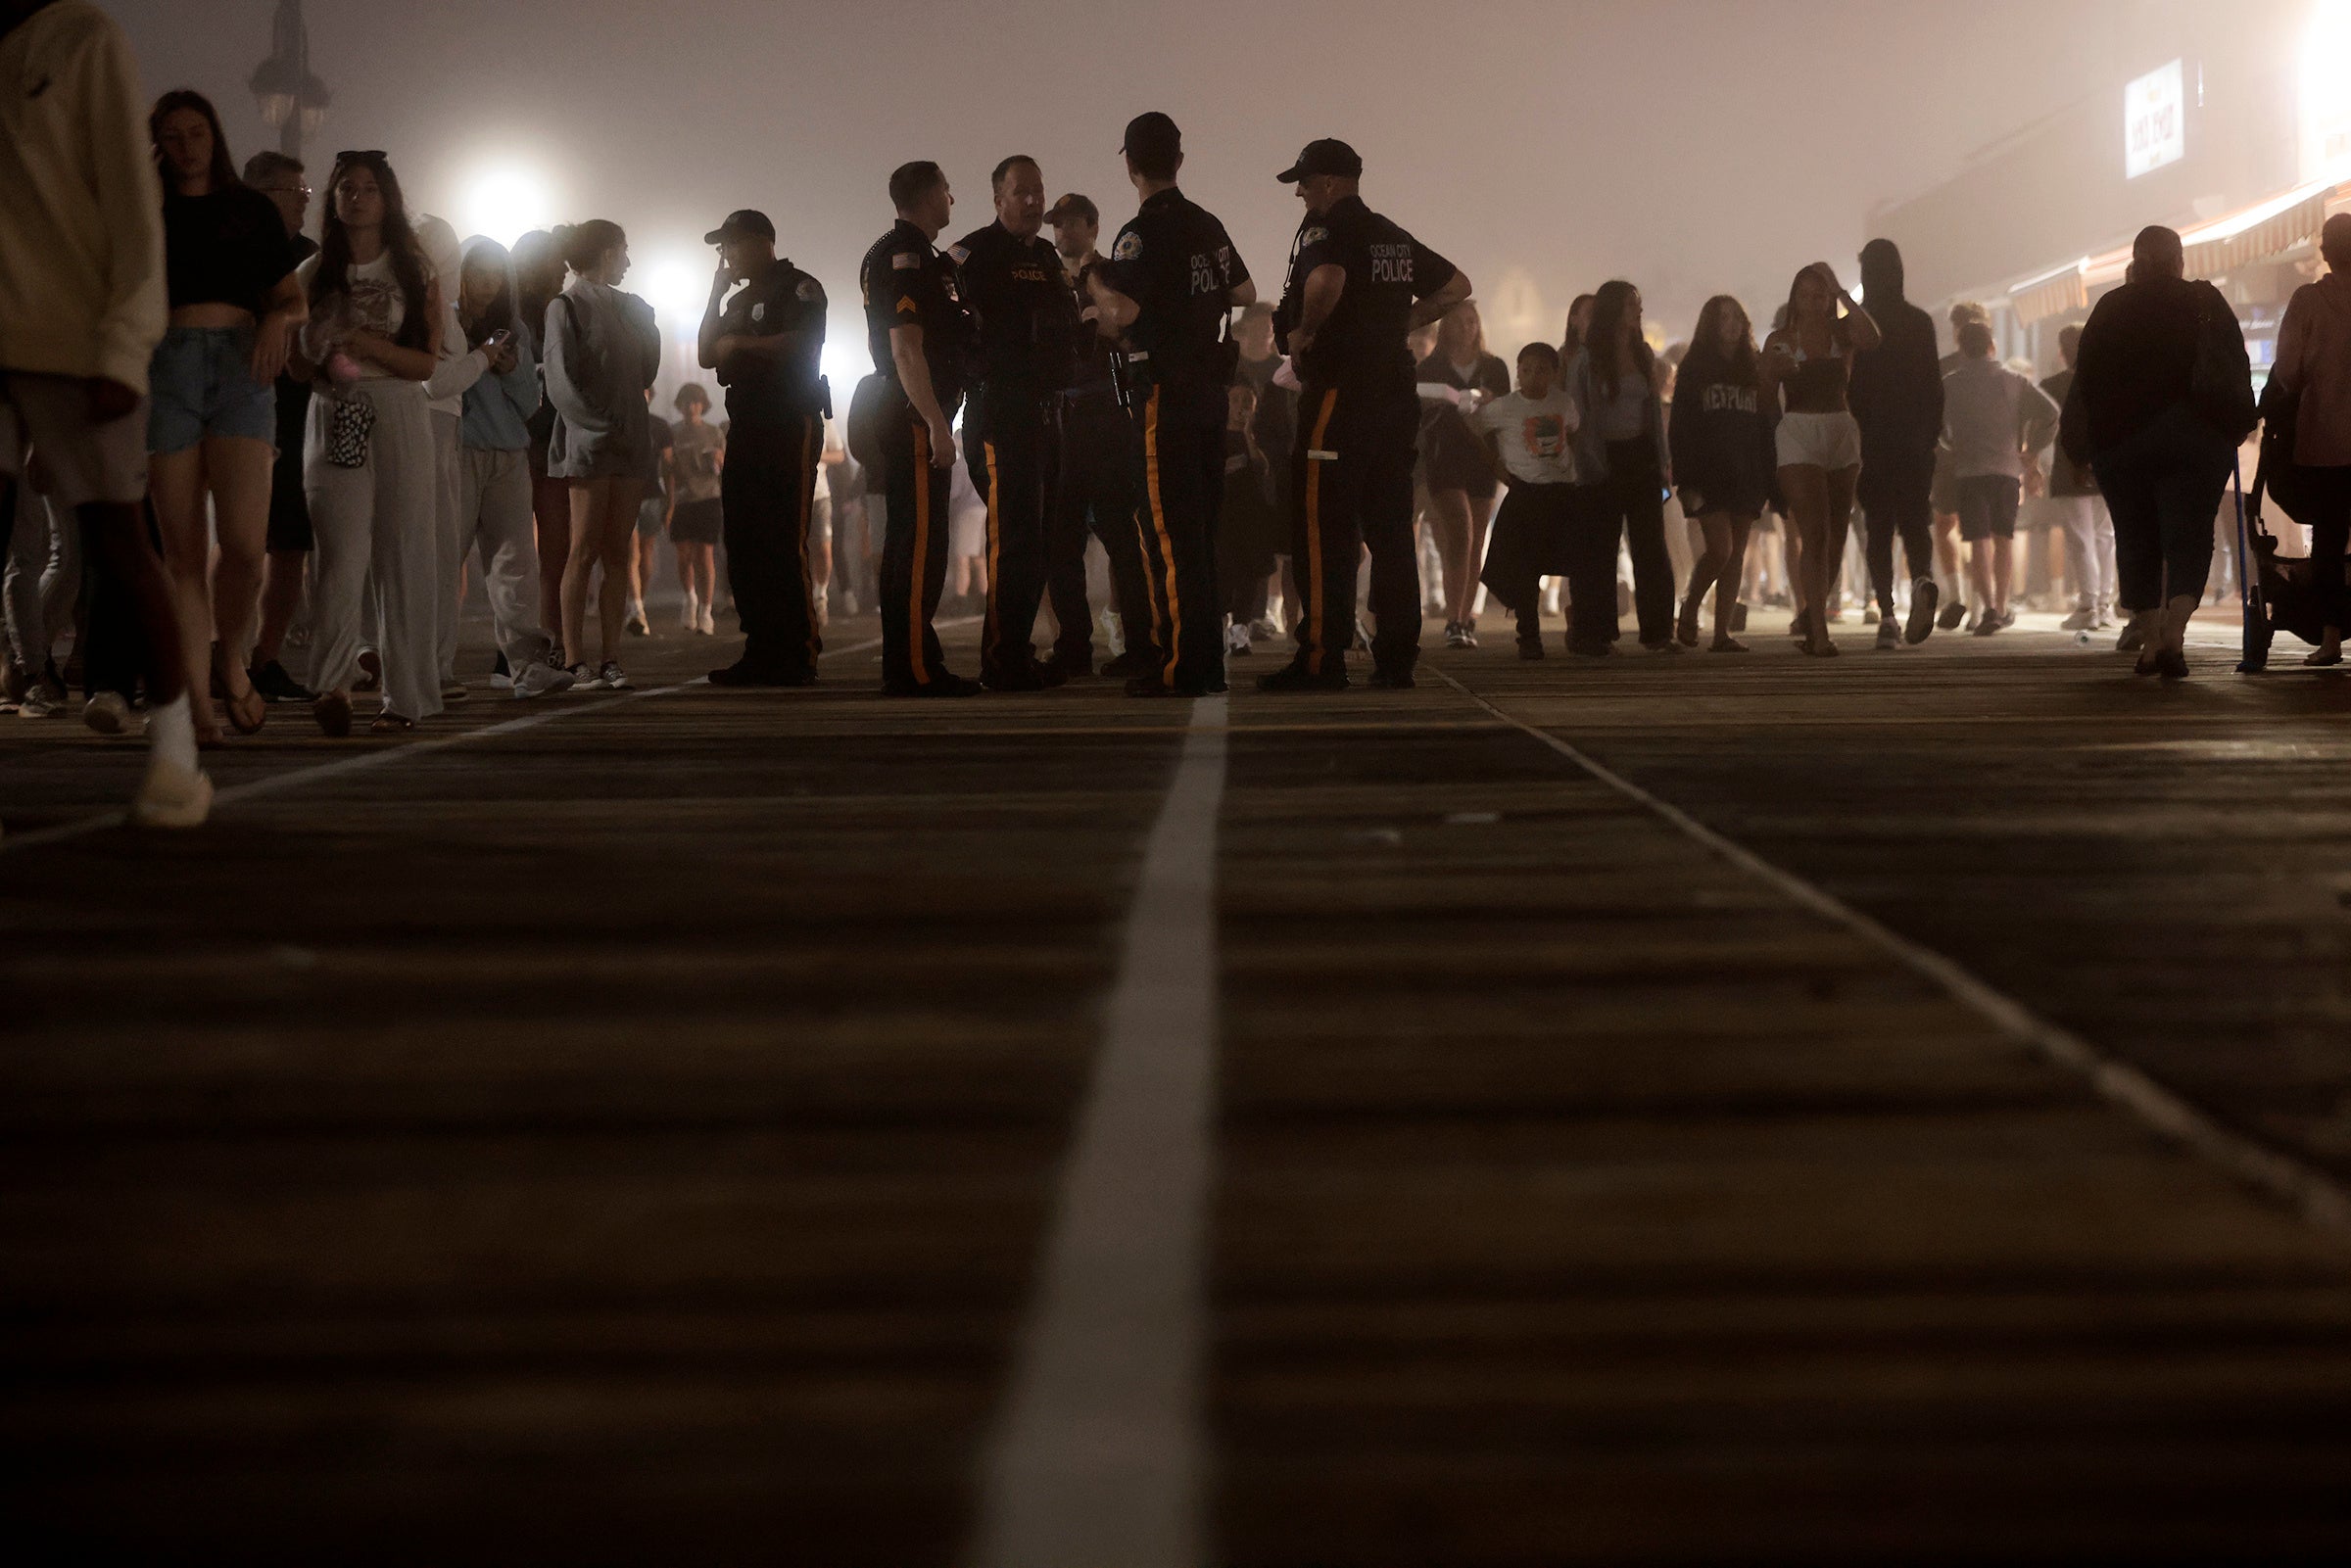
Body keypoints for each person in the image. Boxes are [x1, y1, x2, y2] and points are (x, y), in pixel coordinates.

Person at [0, 0, 214, 825]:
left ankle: (174, 756)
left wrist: (125, 347)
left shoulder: (82, 39)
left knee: (119, 541)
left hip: (73, 339)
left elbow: (132, 202)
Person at [1260, 137, 1464, 691]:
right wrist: (1397, 325)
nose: (1299, 193)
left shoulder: (1326, 231)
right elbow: (1455, 287)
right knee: (1391, 527)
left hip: (1338, 393)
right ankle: (1397, 656)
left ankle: (1323, 656)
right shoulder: (1390, 235)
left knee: (1323, 524)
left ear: (1328, 182)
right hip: (1394, 394)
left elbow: (1326, 281)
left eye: (1303, 182)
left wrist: (1306, 332)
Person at [145, 89, 306, 741]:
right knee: (183, 554)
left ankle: (231, 657)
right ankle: (195, 706)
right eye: (173, 137)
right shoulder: (145, 211)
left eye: (197, 133)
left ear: (215, 137)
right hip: (167, 369)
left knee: (243, 545)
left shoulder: (249, 210)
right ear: (159, 144)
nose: (187, 147)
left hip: (243, 369)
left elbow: (293, 298)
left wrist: (275, 318)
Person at [1087, 112, 1256, 697]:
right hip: (1209, 393)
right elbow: (1244, 292)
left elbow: (1125, 314)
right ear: (1179, 161)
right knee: (1201, 530)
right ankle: (1202, 657)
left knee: (1168, 531)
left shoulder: (1138, 234)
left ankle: (1186, 664)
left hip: (1164, 396)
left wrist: (1095, 283)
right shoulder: (1207, 224)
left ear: (1131, 165)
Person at [292, 150, 445, 736]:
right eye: (346, 188)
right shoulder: (312, 274)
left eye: (369, 189)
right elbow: (300, 371)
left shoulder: (414, 270)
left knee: (402, 554)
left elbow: (425, 362)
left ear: (388, 199)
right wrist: (311, 348)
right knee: (339, 554)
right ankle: (331, 684)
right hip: (335, 411)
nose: (356, 198)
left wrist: (360, 339)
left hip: (399, 408)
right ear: (331, 200)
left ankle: (404, 697)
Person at [2059, 225, 2248, 679]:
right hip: (2197, 440)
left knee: (2137, 534)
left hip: (2124, 445)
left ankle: (2148, 639)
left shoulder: (2110, 308)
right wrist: (2238, 424)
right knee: (2191, 532)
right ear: (2179, 261)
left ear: (2136, 262)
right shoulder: (2205, 301)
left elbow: (2084, 382)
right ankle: (2175, 633)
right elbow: (2235, 365)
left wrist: (2077, 448)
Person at [950, 155, 1082, 690]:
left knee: (1039, 541)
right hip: (1001, 415)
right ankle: (1003, 661)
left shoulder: (1049, 257)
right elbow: (954, 334)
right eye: (1020, 191)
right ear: (998, 199)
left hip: (1050, 414)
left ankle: (1019, 652)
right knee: (1014, 540)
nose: (1033, 201)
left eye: (1038, 190)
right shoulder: (972, 255)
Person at [860, 161, 980, 696]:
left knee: (918, 542)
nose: (952, 200)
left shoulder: (927, 258)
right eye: (947, 191)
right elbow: (905, 346)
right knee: (918, 545)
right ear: (930, 195)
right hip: (913, 413)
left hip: (921, 410)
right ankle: (911, 667)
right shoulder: (901, 256)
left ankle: (914, 659)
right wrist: (935, 422)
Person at [698, 208, 828, 685]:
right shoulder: (735, 301)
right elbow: (705, 353)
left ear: (760, 242)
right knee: (745, 539)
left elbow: (802, 341)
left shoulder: (799, 287)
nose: (726, 255)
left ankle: (798, 650)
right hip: (747, 424)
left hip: (789, 420)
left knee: (783, 539)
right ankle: (760, 649)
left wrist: (742, 345)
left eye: (731, 245)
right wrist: (714, 296)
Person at [1040, 190, 1156, 679]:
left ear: (1092, 226)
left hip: (1106, 415)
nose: (1063, 232)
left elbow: (1129, 328)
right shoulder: (1044, 277)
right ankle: (1074, 645)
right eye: (1058, 224)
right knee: (1061, 542)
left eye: (1072, 223)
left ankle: (1141, 644)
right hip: (1061, 418)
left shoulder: (1110, 273)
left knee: (1120, 535)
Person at [450, 235, 570, 699]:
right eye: (479, 272)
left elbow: (527, 403)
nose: (488, 282)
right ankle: (433, 668)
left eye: (497, 274)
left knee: (516, 562)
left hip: (508, 454)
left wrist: (513, 367)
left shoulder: (514, 327)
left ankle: (527, 666)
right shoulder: (443, 320)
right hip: (456, 452)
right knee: (445, 560)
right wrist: (477, 360)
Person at [544, 217, 659, 692]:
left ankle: (611, 656)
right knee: (584, 548)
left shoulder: (631, 307)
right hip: (590, 445)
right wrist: (594, 428)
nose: (628, 261)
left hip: (631, 441)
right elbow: (559, 381)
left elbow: (646, 371)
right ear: (606, 252)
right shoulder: (565, 306)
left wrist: (648, 323)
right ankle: (575, 658)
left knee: (618, 551)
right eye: (623, 251)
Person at [1760, 262, 1881, 657]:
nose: (1813, 303)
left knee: (1836, 535)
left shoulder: (1841, 332)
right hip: (1798, 431)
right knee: (1813, 531)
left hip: (1840, 431)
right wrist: (1771, 373)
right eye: (1806, 295)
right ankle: (1820, 632)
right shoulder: (1781, 338)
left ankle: (1811, 616)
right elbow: (1763, 399)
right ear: (1794, 297)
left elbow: (1873, 339)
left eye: (1821, 295)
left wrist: (1845, 295)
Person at [241, 148, 318, 703]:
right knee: (237, 545)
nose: (305, 207)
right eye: (298, 196)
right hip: (236, 410)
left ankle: (265, 658)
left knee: (289, 545)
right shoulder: (227, 247)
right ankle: (221, 657)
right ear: (262, 195)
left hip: (296, 417)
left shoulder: (311, 259)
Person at [1565, 279, 1678, 653]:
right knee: (1600, 550)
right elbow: (1578, 413)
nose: (1639, 311)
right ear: (1614, 310)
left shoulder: (1642, 352)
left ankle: (1659, 633)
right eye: (1632, 304)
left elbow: (1651, 411)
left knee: (1650, 546)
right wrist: (1587, 464)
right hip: (1602, 458)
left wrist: (1662, 460)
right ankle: (1595, 633)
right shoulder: (1587, 358)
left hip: (1641, 456)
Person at [1847, 237, 1944, 646]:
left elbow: (1852, 387)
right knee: (1915, 522)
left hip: (1871, 440)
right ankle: (1922, 580)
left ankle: (1886, 614)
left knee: (1879, 527)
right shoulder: (1920, 322)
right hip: (1914, 439)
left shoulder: (1860, 324)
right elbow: (1933, 388)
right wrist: (1930, 437)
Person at [2268, 213, 2351, 666]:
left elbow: (2288, 371)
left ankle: (2331, 638)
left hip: (2325, 442)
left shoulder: (2307, 301)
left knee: (2330, 540)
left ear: (2324, 252)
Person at [1668, 296, 1774, 652]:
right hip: (1708, 473)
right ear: (1709, 325)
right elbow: (1681, 426)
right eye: (1722, 317)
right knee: (1720, 549)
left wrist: (1766, 473)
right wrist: (1685, 479)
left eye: (1736, 317)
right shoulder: (1695, 368)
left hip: (1746, 471)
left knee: (1737, 552)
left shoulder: (1751, 367)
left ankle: (1722, 633)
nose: (1731, 323)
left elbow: (1763, 424)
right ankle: (1690, 606)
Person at [1942, 318, 2058, 635]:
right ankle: (2003, 607)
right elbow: (2050, 414)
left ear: (1962, 349)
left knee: (1978, 541)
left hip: (1969, 471)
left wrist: (1951, 444)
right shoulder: (2015, 381)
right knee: (2003, 538)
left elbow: (1936, 425)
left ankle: (1989, 606)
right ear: (1992, 346)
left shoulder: (1950, 383)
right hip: (2007, 470)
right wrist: (2032, 451)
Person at [1473, 341, 1578, 657]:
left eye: (1542, 370)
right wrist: (1495, 465)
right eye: (1526, 370)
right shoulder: (1505, 407)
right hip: (1525, 493)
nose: (1533, 377)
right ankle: (1528, 636)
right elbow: (1474, 426)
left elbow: (1575, 432)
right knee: (1525, 570)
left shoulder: (1563, 403)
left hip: (1562, 492)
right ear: (1518, 372)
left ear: (1554, 374)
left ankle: (1580, 624)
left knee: (1577, 562)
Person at [1416, 300, 1511, 648]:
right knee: (1461, 532)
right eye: (1459, 321)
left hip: (1482, 458)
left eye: (1472, 321)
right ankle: (1454, 618)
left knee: (1476, 543)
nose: (1467, 328)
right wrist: (1436, 403)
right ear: (1446, 327)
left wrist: (1490, 401)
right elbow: (1417, 407)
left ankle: (1466, 617)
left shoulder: (1494, 367)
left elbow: (1507, 409)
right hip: (1445, 457)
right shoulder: (1432, 366)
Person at [512, 229, 570, 643]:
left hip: (551, 439)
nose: (563, 272)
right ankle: (514, 647)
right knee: (515, 550)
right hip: (513, 440)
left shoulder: (564, 311)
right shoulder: (510, 316)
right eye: (556, 263)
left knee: (556, 551)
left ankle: (551, 640)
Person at [2039, 324, 2115, 634]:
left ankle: (2088, 605)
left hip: (2069, 469)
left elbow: (2044, 430)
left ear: (2061, 352)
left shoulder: (2051, 385)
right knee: (2105, 537)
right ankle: (2105, 605)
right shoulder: (2106, 382)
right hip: (2105, 467)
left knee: (2080, 539)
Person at [668, 382, 723, 634]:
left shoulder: (714, 432)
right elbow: (666, 471)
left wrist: (717, 459)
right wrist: (668, 504)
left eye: (696, 402)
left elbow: (724, 467)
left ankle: (706, 610)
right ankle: (690, 598)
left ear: (703, 405)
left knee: (705, 555)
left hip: (709, 498)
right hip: (682, 499)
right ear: (680, 405)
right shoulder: (673, 433)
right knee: (683, 556)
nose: (691, 407)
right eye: (687, 402)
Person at [629, 391, 672, 637]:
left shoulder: (659, 426)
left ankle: (639, 603)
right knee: (631, 551)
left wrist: (670, 501)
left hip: (653, 495)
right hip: (628, 493)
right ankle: (636, 607)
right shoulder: (622, 422)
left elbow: (668, 466)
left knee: (646, 551)